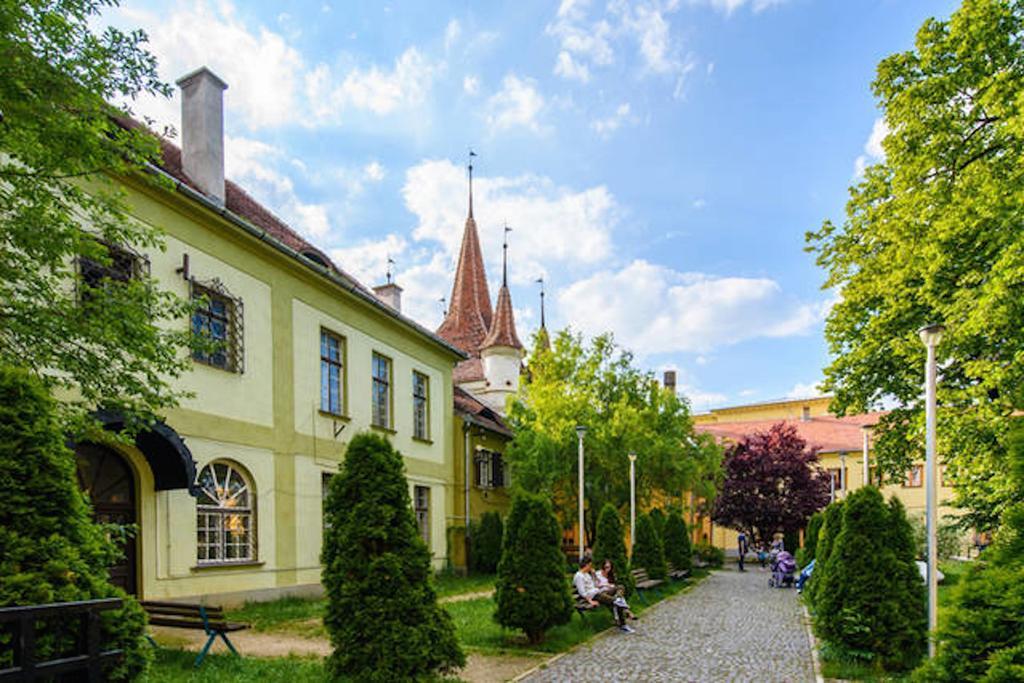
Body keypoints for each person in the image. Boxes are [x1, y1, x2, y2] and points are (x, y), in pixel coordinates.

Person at [573, 556, 633, 633]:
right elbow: (582, 592)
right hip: (593, 596)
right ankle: (623, 625)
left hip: (598, 592)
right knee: (616, 603)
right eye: (590, 565)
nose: (591, 567)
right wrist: (590, 601)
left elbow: (596, 585)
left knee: (620, 587)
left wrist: (594, 575)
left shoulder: (587, 574)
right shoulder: (579, 576)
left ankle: (618, 600)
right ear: (586, 565)